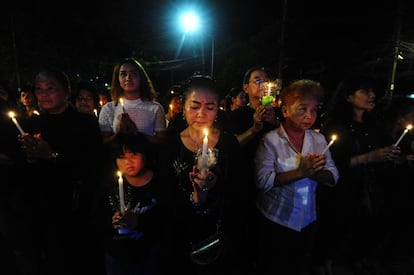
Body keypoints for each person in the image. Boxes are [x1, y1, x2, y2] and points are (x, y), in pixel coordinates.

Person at [18, 68, 105, 275]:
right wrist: (30, 156)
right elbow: (26, 171)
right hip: (45, 206)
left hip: (76, 206)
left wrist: (52, 155)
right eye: (39, 89)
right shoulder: (32, 124)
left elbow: (94, 165)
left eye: (50, 88)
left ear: (66, 93)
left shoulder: (86, 123)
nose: (43, 94)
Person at [159, 75, 248, 274]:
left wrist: (215, 184)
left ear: (218, 109)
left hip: (220, 230)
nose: (201, 113)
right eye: (195, 106)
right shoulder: (172, 145)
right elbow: (165, 190)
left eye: (210, 107)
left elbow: (241, 188)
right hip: (182, 232)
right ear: (183, 107)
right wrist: (194, 197)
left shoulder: (229, 144)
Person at [254, 79, 339, 275]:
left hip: (307, 219)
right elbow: (263, 181)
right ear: (285, 111)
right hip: (275, 220)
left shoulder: (318, 140)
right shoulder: (271, 141)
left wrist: (318, 173)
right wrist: (302, 172)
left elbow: (333, 175)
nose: (310, 116)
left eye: (314, 110)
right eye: (302, 109)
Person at [318, 75, 401, 274]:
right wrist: (368, 157)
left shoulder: (373, 125)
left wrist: (391, 156)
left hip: (369, 189)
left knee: (365, 229)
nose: (372, 95)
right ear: (348, 96)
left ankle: (358, 260)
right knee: (337, 230)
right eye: (365, 91)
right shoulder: (335, 126)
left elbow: (379, 154)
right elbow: (332, 164)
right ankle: (326, 263)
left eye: (372, 91)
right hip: (342, 191)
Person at [93, 132, 164, 275]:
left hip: (150, 255)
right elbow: (96, 218)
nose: (128, 161)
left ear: (145, 154)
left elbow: (167, 220)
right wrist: (111, 222)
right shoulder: (108, 186)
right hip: (117, 256)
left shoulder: (160, 184)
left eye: (133, 155)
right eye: (122, 157)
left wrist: (139, 221)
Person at [98, 58, 167, 144]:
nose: (128, 78)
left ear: (141, 78)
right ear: (117, 78)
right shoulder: (109, 108)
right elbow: (103, 142)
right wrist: (119, 135)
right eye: (123, 74)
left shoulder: (155, 108)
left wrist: (137, 135)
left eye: (133, 74)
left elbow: (162, 141)